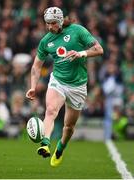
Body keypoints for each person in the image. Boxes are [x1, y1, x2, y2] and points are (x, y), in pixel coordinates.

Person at [26, 7, 103, 167]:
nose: (49, 27)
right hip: (58, 81)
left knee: (69, 126)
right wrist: (33, 86)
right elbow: (36, 67)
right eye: (47, 23)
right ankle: (45, 144)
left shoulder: (78, 31)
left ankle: (60, 148)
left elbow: (99, 49)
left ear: (60, 21)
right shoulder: (46, 40)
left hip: (78, 85)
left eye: (53, 23)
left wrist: (81, 53)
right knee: (50, 111)